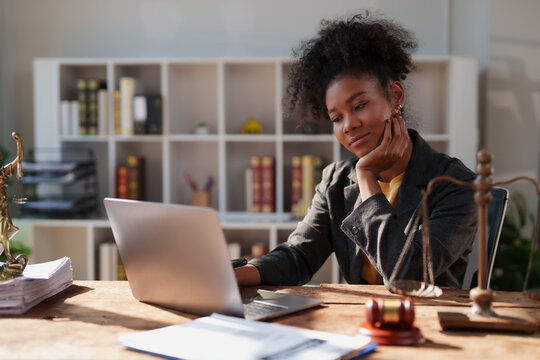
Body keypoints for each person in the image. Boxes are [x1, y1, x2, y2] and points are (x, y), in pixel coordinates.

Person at [235, 12, 477, 289]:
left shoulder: (455, 183)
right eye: (336, 118)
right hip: (357, 320)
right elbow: (299, 256)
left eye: (359, 105)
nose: (349, 125)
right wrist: (236, 275)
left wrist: (366, 177)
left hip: (425, 323)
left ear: (396, 96)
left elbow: (408, 275)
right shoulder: (335, 181)